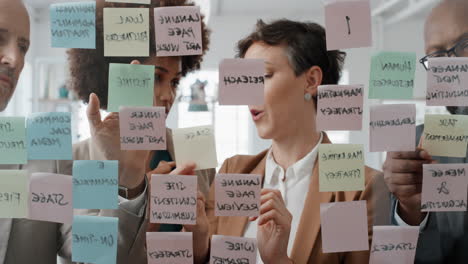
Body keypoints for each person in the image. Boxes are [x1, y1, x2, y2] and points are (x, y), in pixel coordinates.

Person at [197, 19, 381, 264]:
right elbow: (207, 256)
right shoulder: (234, 170)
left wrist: (279, 260)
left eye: (263, 76)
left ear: (311, 81)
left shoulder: (359, 189)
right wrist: (196, 234)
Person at [67, 0, 212, 263]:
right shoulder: (74, 161)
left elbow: (211, 248)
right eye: (157, 77)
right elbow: (86, 257)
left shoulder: (195, 157)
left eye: (176, 82)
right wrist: (142, 206)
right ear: (119, 75)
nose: (169, 95)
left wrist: (201, 244)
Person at [383, 0, 468, 262]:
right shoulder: (417, 150)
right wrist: (410, 209)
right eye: (437, 56)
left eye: (465, 45)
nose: (449, 66)